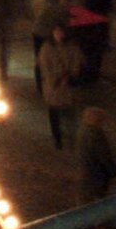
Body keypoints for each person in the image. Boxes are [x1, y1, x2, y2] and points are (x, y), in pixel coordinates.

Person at [37, 22, 82, 150]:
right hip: (54, 87)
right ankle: (57, 139)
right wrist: (55, 80)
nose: (59, 34)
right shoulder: (46, 48)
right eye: (56, 31)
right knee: (54, 113)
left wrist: (70, 76)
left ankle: (70, 137)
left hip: (67, 86)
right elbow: (44, 67)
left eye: (60, 31)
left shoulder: (71, 46)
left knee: (69, 112)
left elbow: (77, 62)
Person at [74, 105, 116, 203]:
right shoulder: (96, 135)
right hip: (97, 174)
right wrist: (113, 171)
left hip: (86, 173)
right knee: (97, 199)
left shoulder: (83, 132)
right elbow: (104, 156)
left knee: (87, 199)